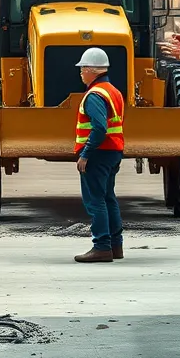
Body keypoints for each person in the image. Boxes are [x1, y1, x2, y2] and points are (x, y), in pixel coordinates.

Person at [73, 47, 125, 264]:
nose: (80, 73)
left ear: (91, 70)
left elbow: (99, 128)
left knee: (95, 201)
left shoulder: (94, 95)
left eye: (82, 69)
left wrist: (85, 154)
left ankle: (101, 246)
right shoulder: (113, 91)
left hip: (98, 154)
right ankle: (115, 245)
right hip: (113, 152)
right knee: (108, 198)